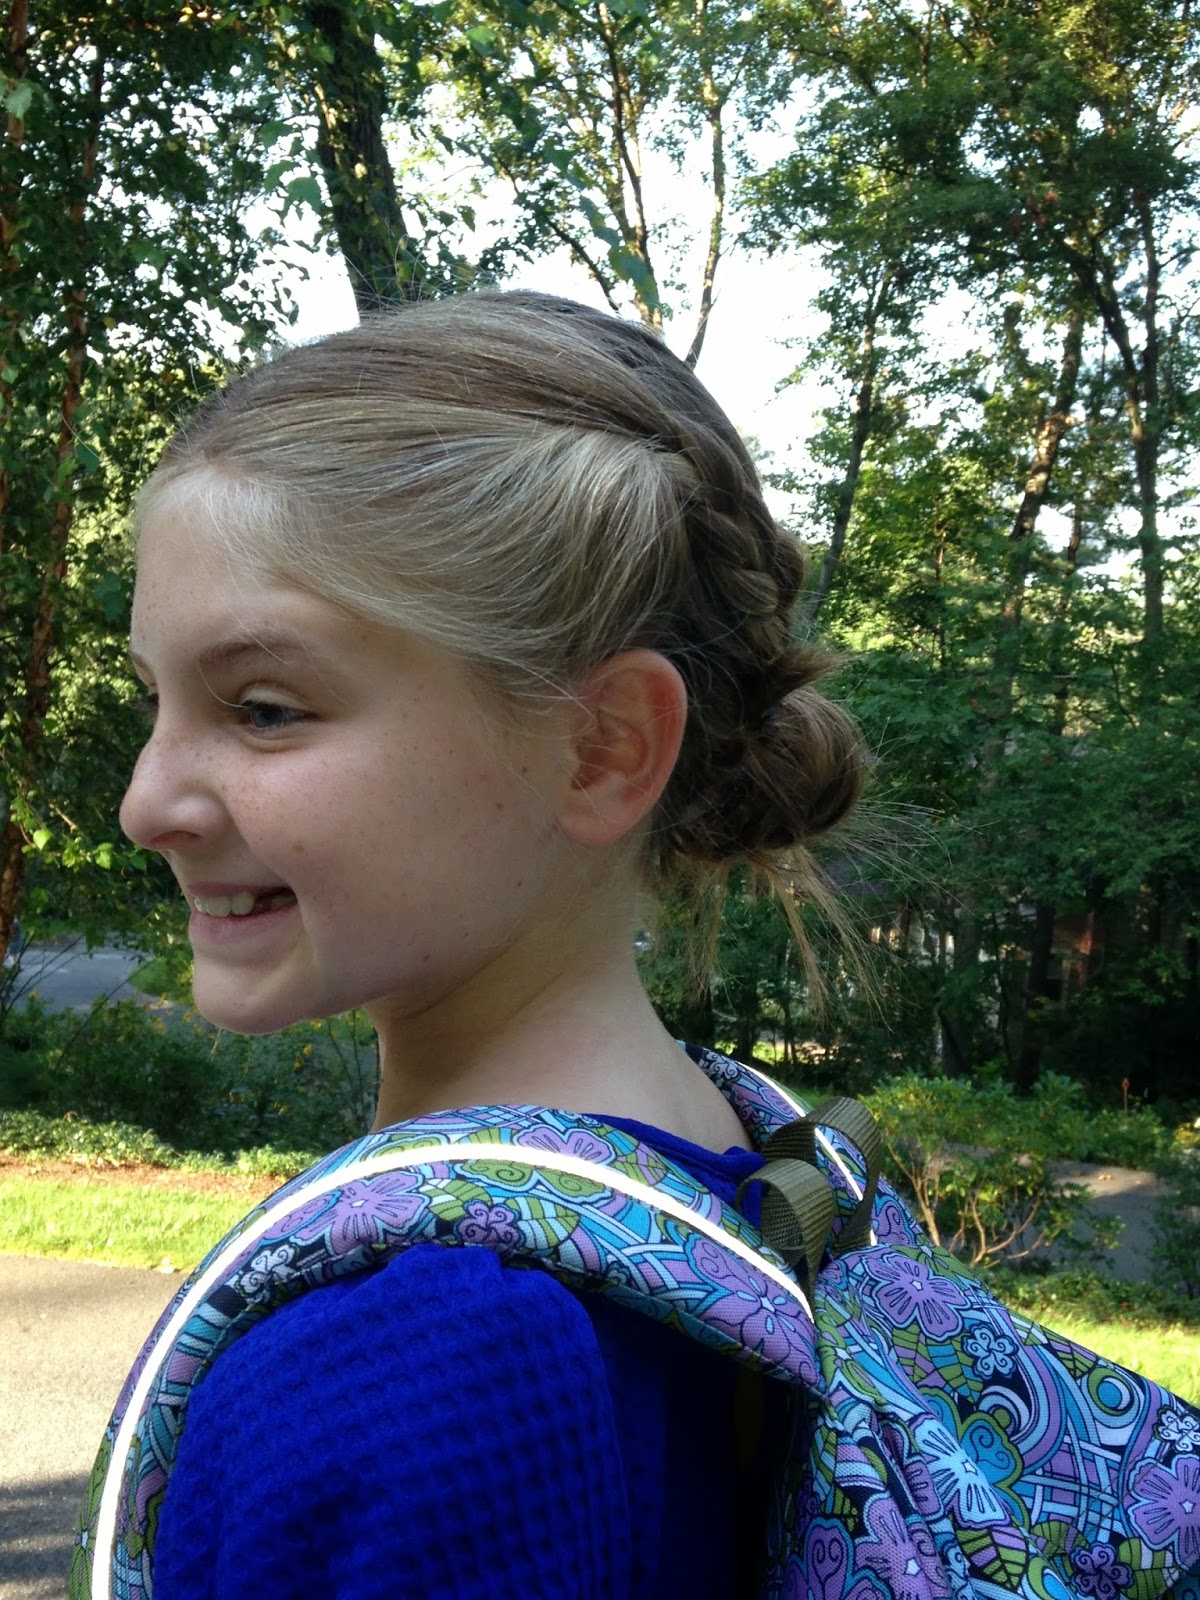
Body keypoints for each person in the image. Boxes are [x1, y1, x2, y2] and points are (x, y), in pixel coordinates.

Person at [113, 290, 864, 1597]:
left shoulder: (428, 1369)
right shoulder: (755, 1173)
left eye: (265, 708)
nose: (145, 803)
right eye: (158, 700)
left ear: (602, 748)